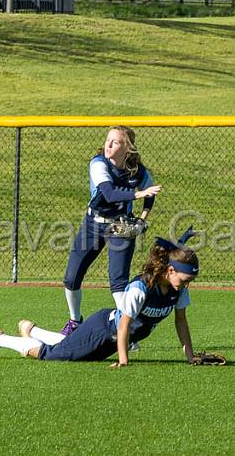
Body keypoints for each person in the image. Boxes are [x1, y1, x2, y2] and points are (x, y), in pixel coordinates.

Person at [0, 232, 199, 368]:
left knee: (71, 351)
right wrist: (123, 360)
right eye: (185, 278)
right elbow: (124, 324)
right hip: (103, 329)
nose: (187, 284)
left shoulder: (177, 290)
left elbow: (181, 321)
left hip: (112, 338)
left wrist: (190, 356)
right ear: (170, 270)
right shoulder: (141, 288)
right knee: (54, 356)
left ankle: (32, 331)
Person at [60, 126, 161, 336]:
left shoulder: (138, 171)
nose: (108, 145)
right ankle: (74, 321)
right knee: (72, 277)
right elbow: (108, 193)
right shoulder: (98, 163)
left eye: (115, 142)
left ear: (127, 148)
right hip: (93, 223)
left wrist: (142, 219)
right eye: (108, 140)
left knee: (118, 281)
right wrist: (138, 194)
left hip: (120, 226)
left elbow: (151, 194)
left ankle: (126, 331)